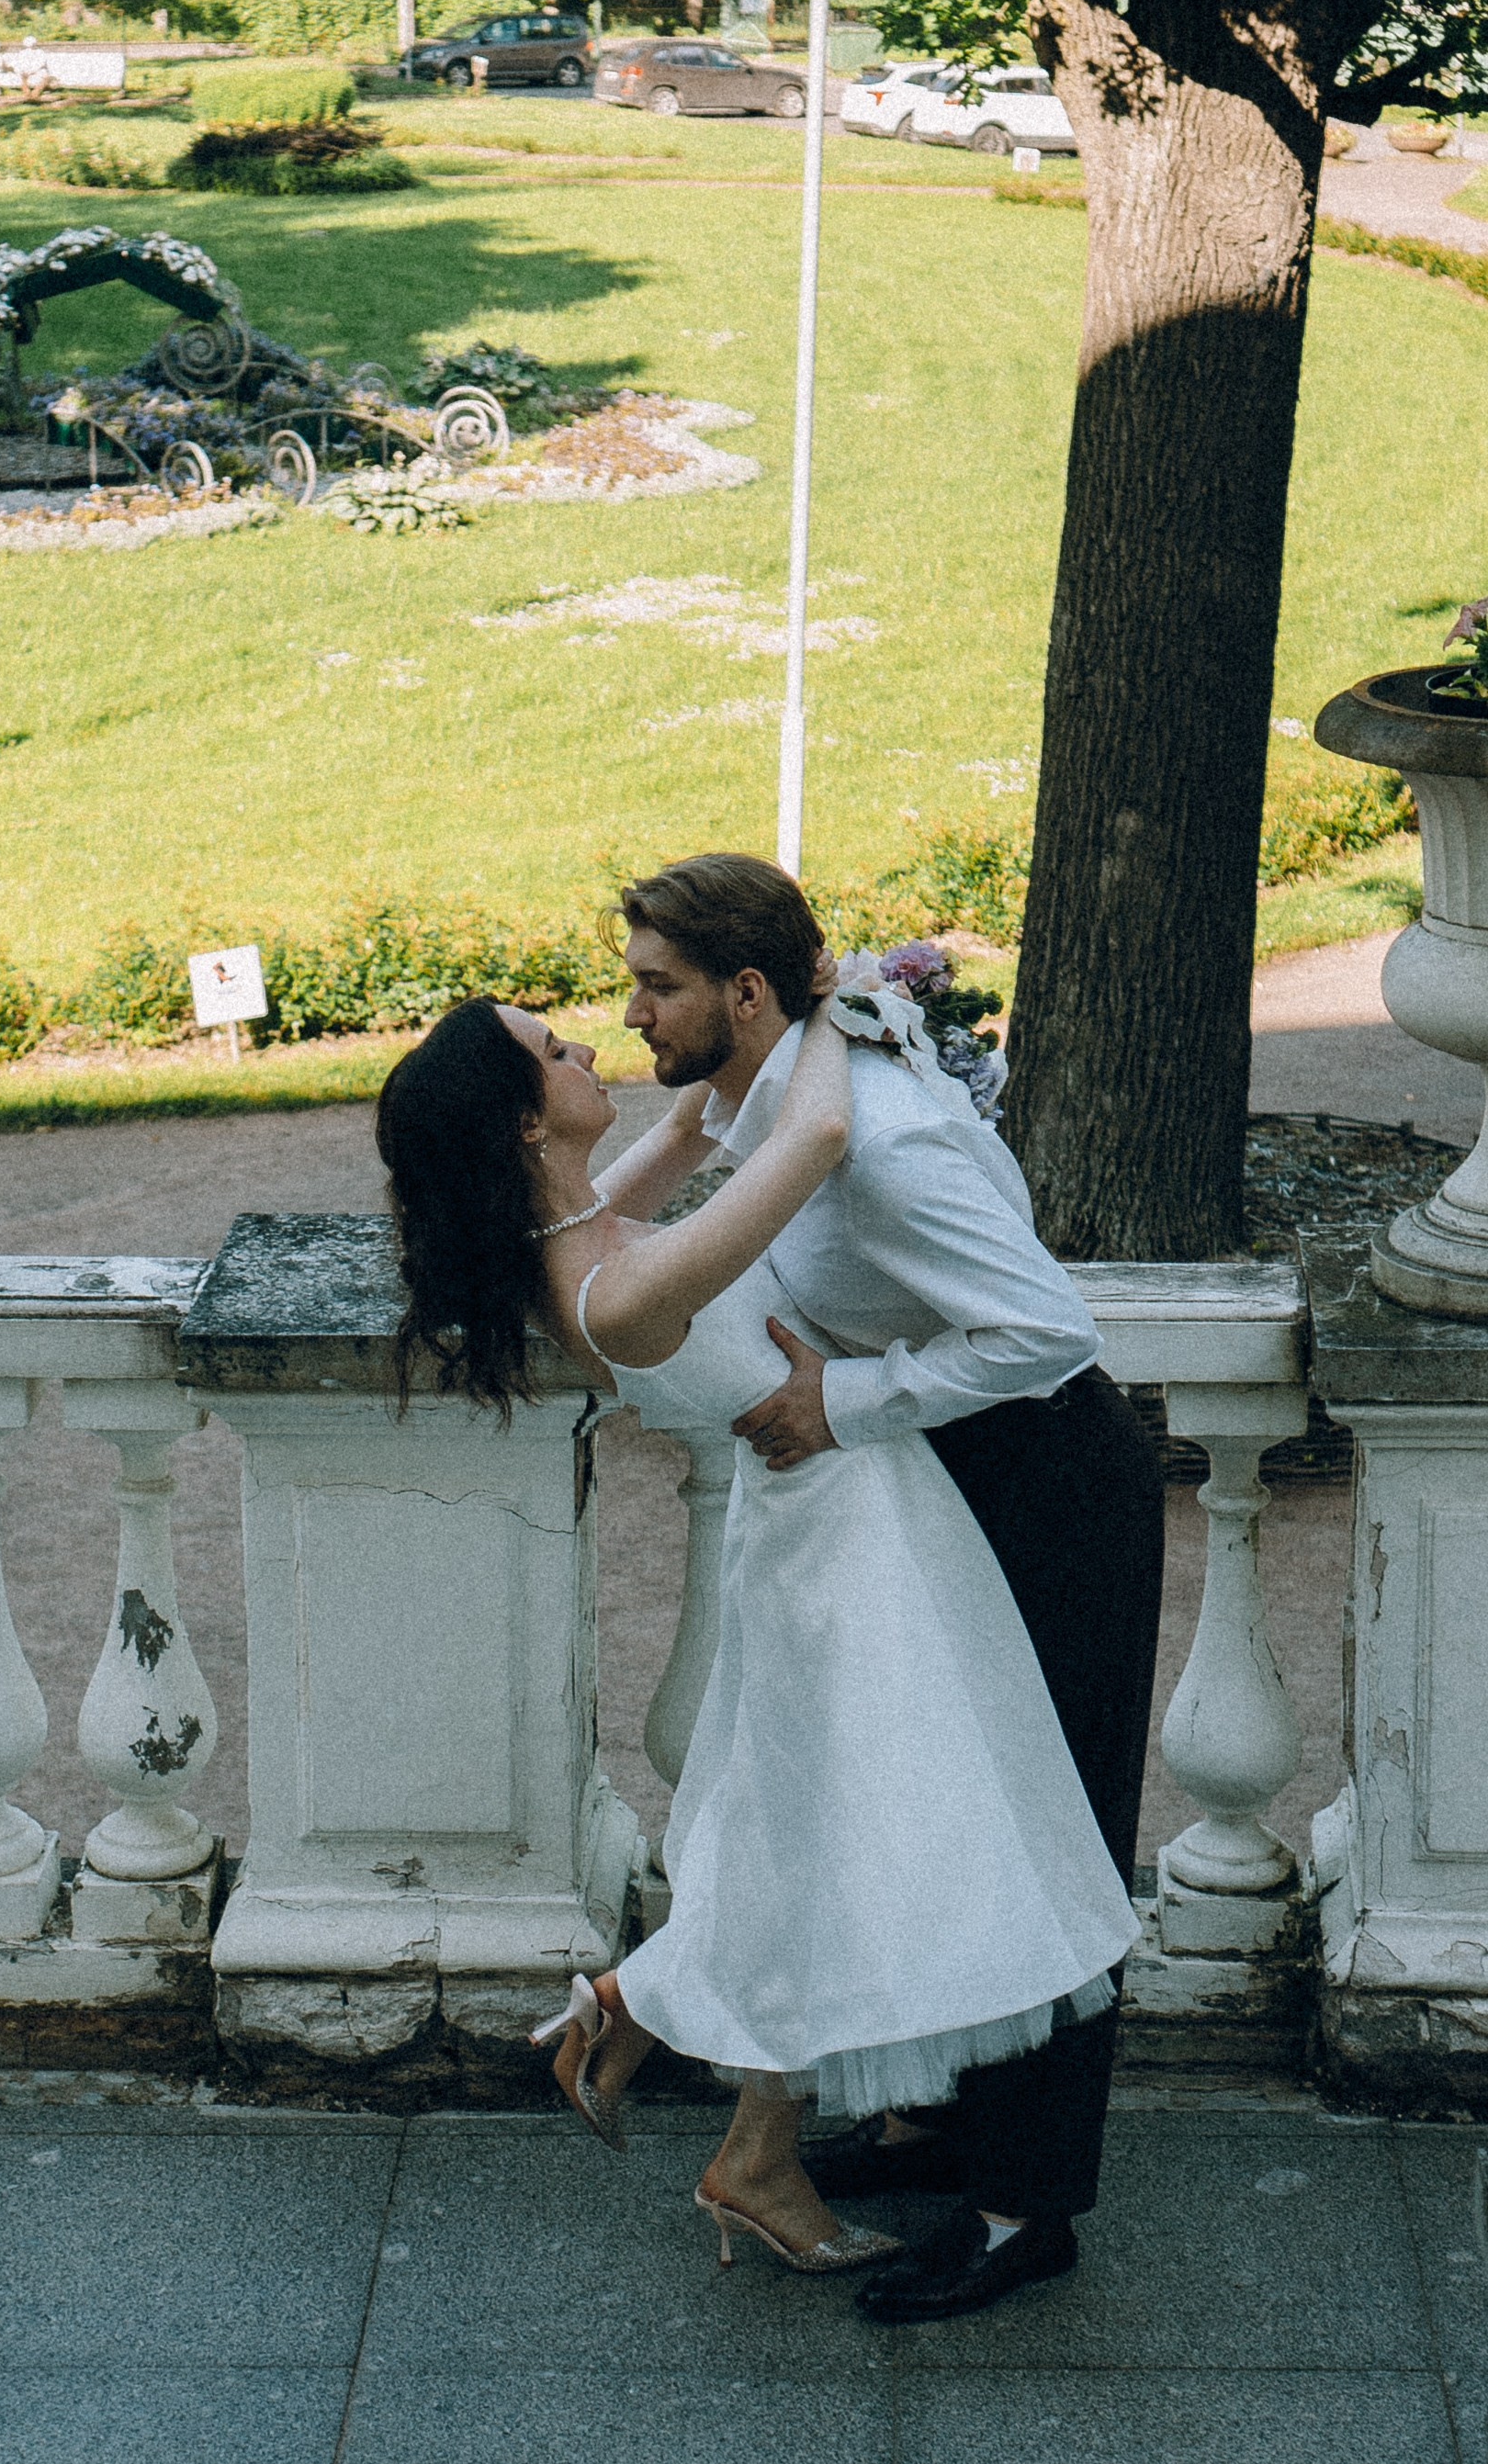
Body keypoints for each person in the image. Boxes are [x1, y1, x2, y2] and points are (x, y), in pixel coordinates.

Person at [376, 947, 1143, 2305]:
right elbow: (819, 1131)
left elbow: (693, 1121)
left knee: (821, 1842)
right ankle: (696, 2056)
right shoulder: (619, 1286)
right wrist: (835, 1007)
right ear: (519, 1121)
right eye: (555, 1052)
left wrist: (797, 1012)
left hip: (844, 1533)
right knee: (900, 1844)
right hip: (848, 1552)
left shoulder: (589, 1223)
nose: (594, 1045)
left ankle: (674, 2044)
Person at [606, 849, 1162, 2319]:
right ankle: (939, 2122)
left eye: (658, 988)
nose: (634, 1016)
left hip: (1048, 1494)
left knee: (1037, 1831)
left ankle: (1021, 2206)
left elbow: (1044, 1327)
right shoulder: (776, 1098)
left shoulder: (883, 1130)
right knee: (929, 1813)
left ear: (742, 991)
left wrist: (845, 1400)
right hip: (943, 1484)